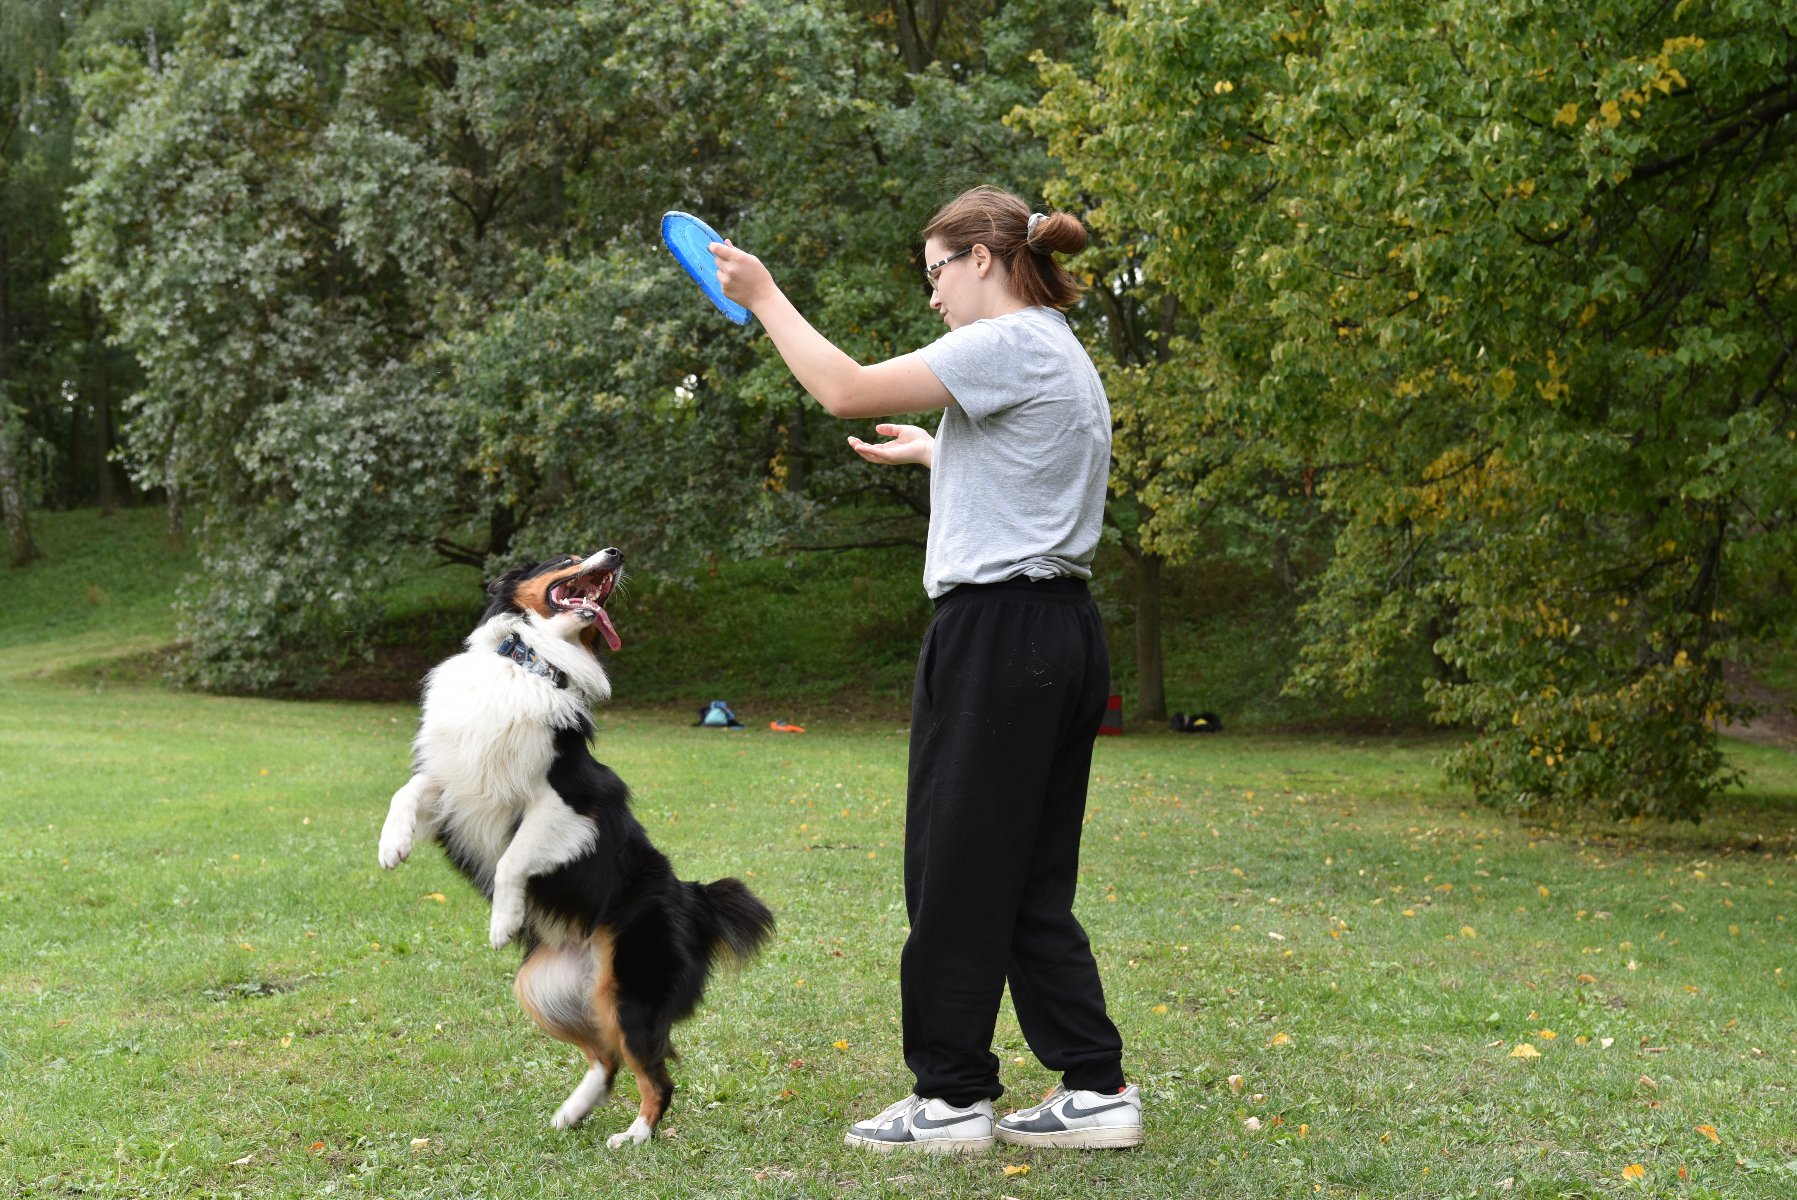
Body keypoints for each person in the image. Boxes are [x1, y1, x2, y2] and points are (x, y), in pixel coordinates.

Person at [711, 185, 1140, 1153]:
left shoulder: (1008, 341)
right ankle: (1096, 1089)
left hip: (998, 636)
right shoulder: (1057, 352)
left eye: (937, 271)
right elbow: (1037, 484)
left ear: (982, 260)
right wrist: (940, 457)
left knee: (953, 869)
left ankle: (950, 1099)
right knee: (1026, 876)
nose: (934, 295)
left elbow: (846, 388)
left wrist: (767, 296)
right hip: (1057, 630)